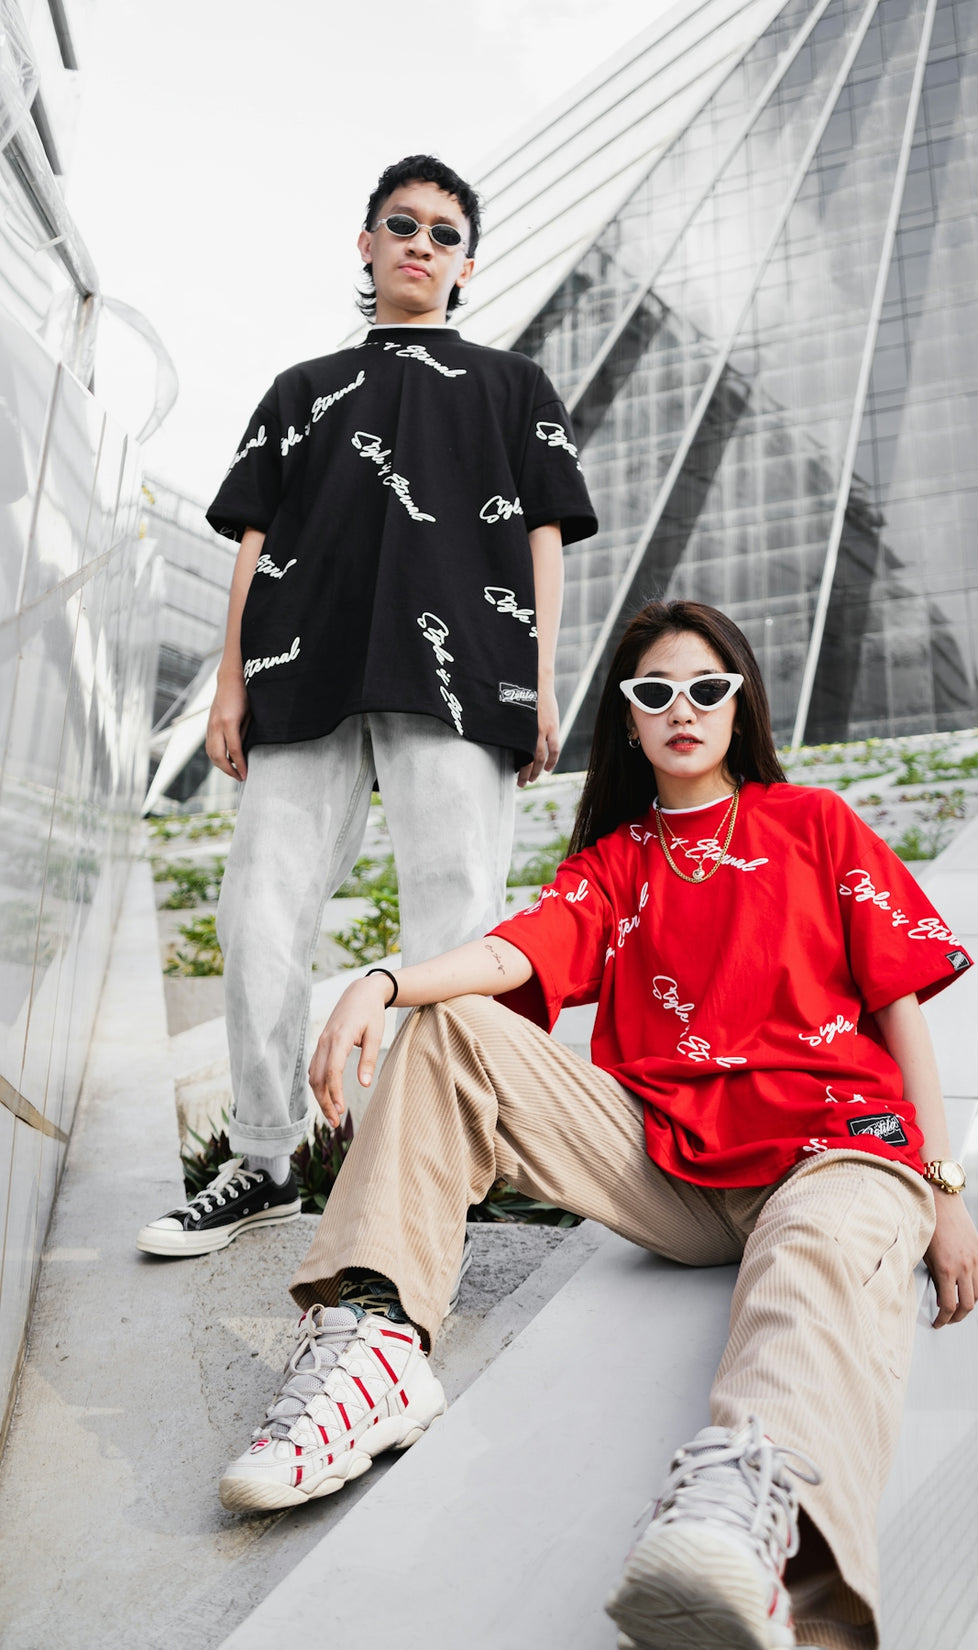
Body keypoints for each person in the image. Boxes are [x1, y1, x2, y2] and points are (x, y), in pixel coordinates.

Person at [217, 599, 978, 1650]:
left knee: (810, 1263)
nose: (683, 709)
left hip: (834, 1151)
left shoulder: (813, 824)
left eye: (707, 688)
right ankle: (378, 1342)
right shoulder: (617, 863)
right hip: (669, 1165)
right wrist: (384, 980)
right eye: (654, 692)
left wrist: (943, 1192)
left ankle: (743, 1537)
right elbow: (514, 954)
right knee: (453, 1024)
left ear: (741, 704)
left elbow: (900, 1006)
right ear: (627, 716)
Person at [137, 154, 596, 1259]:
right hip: (306, 673)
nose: (421, 244)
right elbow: (254, 542)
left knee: (457, 921)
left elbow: (544, 537)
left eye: (444, 233)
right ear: (366, 242)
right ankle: (263, 1161)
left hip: (461, 674)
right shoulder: (300, 391)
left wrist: (539, 681)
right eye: (402, 224)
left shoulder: (514, 388)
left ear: (465, 264)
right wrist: (230, 683)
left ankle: (429, 1169)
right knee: (258, 910)